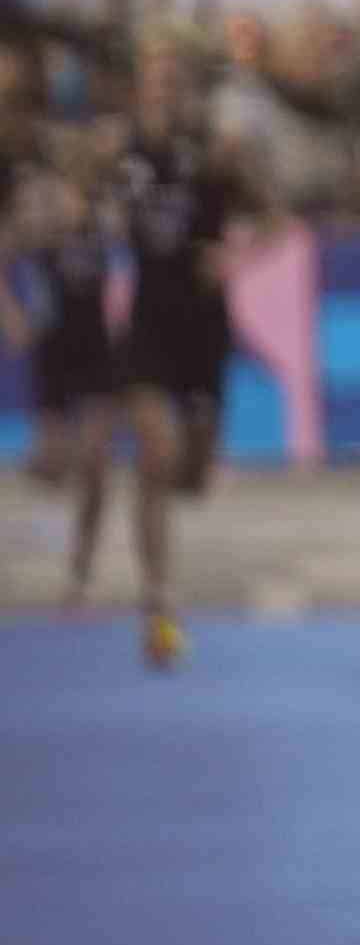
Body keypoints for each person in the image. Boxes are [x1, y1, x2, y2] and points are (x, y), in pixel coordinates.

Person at [110, 51, 255, 671]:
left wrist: (231, 257)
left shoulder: (214, 160)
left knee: (191, 475)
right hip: (147, 325)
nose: (162, 94)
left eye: (172, 83)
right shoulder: (118, 158)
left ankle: (168, 496)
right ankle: (159, 599)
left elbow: (272, 217)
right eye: (153, 83)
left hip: (202, 327)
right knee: (156, 455)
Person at [5, 143, 122, 608]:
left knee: (94, 468)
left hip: (96, 353)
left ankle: (81, 571)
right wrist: (12, 314)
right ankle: (44, 467)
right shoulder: (41, 220)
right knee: (51, 467)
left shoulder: (104, 220)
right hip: (53, 353)